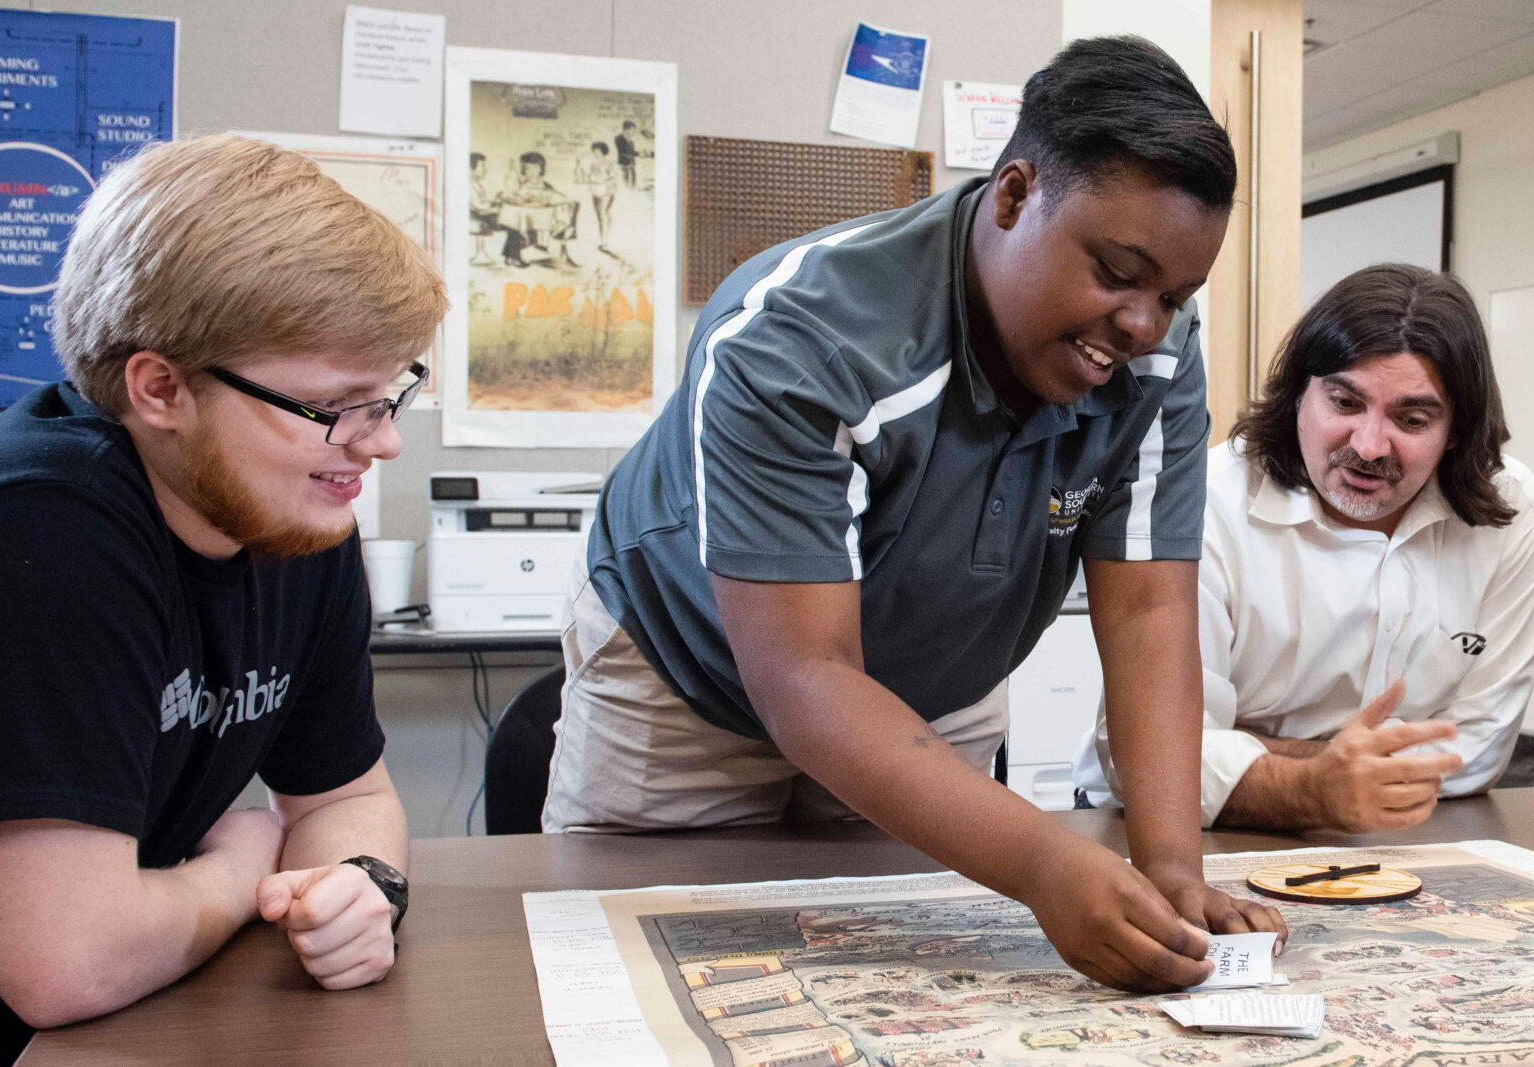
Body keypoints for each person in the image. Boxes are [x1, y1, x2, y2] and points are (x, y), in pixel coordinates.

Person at [545, 36, 1282, 993]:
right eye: (1116, 272)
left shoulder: (1158, 357)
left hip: (935, 693)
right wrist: (1042, 859)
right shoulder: (802, 336)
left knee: (911, 986)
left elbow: (1148, 614)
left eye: (1174, 295)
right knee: (646, 973)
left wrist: (1173, 866)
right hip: (695, 679)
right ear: (1014, 196)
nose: (1144, 325)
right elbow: (807, 676)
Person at [0, 134, 445, 1065]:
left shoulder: (292, 517)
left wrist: (356, 881)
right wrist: (241, 865)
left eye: (391, 393)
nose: (380, 444)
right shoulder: (42, 526)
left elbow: (346, 792)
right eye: (334, 406)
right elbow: (64, 961)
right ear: (161, 388)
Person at [1072, 264, 1534, 832]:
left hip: (1398, 835)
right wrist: (1317, 780)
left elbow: (1476, 750)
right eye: (1346, 403)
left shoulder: (1512, 511)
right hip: (1171, 830)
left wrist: (1260, 752)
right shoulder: (1206, 499)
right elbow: (1151, 758)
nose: (1370, 447)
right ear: (1298, 392)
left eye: (1413, 418)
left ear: (1458, 430)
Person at [577, 142, 621, 258]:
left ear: (603, 151)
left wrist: (604, 181)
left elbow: (614, 176)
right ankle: (603, 241)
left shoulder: (609, 163)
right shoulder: (593, 164)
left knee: (604, 214)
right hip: (596, 190)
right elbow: (589, 177)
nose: (596, 153)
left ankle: (605, 241)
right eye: (594, 151)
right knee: (599, 216)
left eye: (598, 150)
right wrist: (581, 169)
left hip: (606, 190)